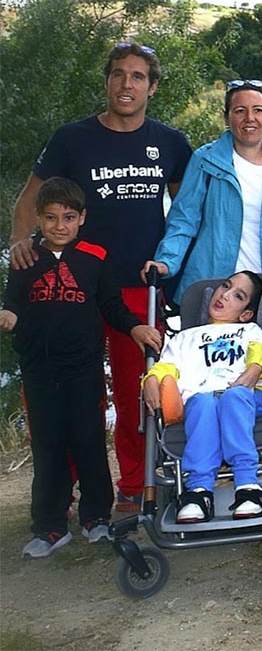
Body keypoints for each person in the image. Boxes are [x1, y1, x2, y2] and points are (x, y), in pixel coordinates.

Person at [8, 42, 191, 512]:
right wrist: (19, 244)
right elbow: (29, 199)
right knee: (72, 392)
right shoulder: (72, 138)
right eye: (118, 75)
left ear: (152, 86)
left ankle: (134, 486)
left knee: (135, 395)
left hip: (137, 287)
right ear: (107, 81)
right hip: (73, 285)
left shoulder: (170, 142)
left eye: (137, 77)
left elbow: (188, 213)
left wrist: (179, 269)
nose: (126, 85)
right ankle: (64, 489)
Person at [2, 178, 161, 558]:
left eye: (69, 217)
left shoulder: (94, 257)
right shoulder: (25, 259)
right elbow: (11, 302)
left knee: (89, 440)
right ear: (38, 218)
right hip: (39, 368)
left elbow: (111, 305)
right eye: (51, 217)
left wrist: (136, 327)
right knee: (47, 444)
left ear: (82, 218)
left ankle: (96, 518)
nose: (60, 226)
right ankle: (50, 525)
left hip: (84, 367)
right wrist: (8, 315)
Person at [146, 79, 262, 303]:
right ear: (227, 117)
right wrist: (166, 262)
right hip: (212, 285)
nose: (250, 118)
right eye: (240, 111)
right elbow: (184, 219)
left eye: (257, 110)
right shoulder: (205, 161)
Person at [140, 272, 262, 522]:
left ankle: (248, 485)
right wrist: (150, 379)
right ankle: (199, 491)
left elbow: (261, 355)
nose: (224, 294)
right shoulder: (184, 338)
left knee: (233, 397)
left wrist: (253, 371)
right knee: (202, 402)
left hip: (245, 397)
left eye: (238, 295)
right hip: (201, 400)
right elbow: (166, 367)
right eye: (225, 285)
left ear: (246, 313)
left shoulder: (250, 331)